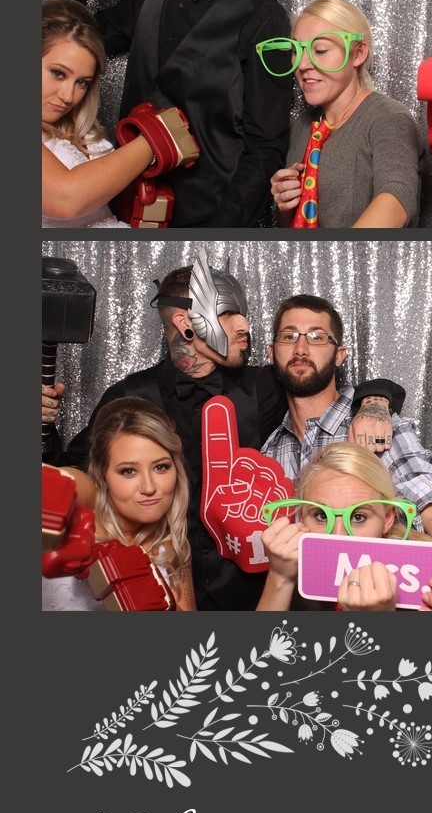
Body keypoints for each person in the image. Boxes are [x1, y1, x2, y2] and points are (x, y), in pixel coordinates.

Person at [45, 258, 401, 612]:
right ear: (186, 323)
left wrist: (376, 400)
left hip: (260, 599)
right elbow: (76, 473)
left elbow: (319, 376)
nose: (245, 325)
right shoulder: (129, 395)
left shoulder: (262, 387)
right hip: (166, 590)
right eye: (228, 313)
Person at [261, 295, 432, 611]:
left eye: (317, 337)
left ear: (339, 356)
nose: (301, 349)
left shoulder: (376, 426)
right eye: (289, 336)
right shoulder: (269, 449)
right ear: (272, 353)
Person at [93, 0, 291, 227]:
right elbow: (72, 42)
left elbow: (266, 145)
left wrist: (225, 227)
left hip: (207, 217)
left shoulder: (263, 15)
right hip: (127, 208)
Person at [265, 0, 425, 229]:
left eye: (320, 50)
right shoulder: (302, 124)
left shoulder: (388, 118)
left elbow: (396, 201)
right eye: (296, 50)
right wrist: (285, 205)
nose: (302, 64)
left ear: (358, 54)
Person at [42, 0, 196, 229]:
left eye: (82, 82)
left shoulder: (80, 131)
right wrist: (154, 139)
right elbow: (66, 199)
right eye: (58, 73)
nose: (68, 95)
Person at [43, 398, 196, 614]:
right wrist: (56, 494)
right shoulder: (81, 514)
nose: (149, 487)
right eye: (128, 471)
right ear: (101, 474)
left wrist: (157, 602)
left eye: (161, 467)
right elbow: (71, 485)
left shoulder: (171, 546)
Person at [257, 442, 413, 614]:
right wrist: (279, 577)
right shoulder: (293, 581)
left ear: (388, 519)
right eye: (321, 516)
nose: (338, 535)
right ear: (301, 518)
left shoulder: (420, 587)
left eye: (358, 517)